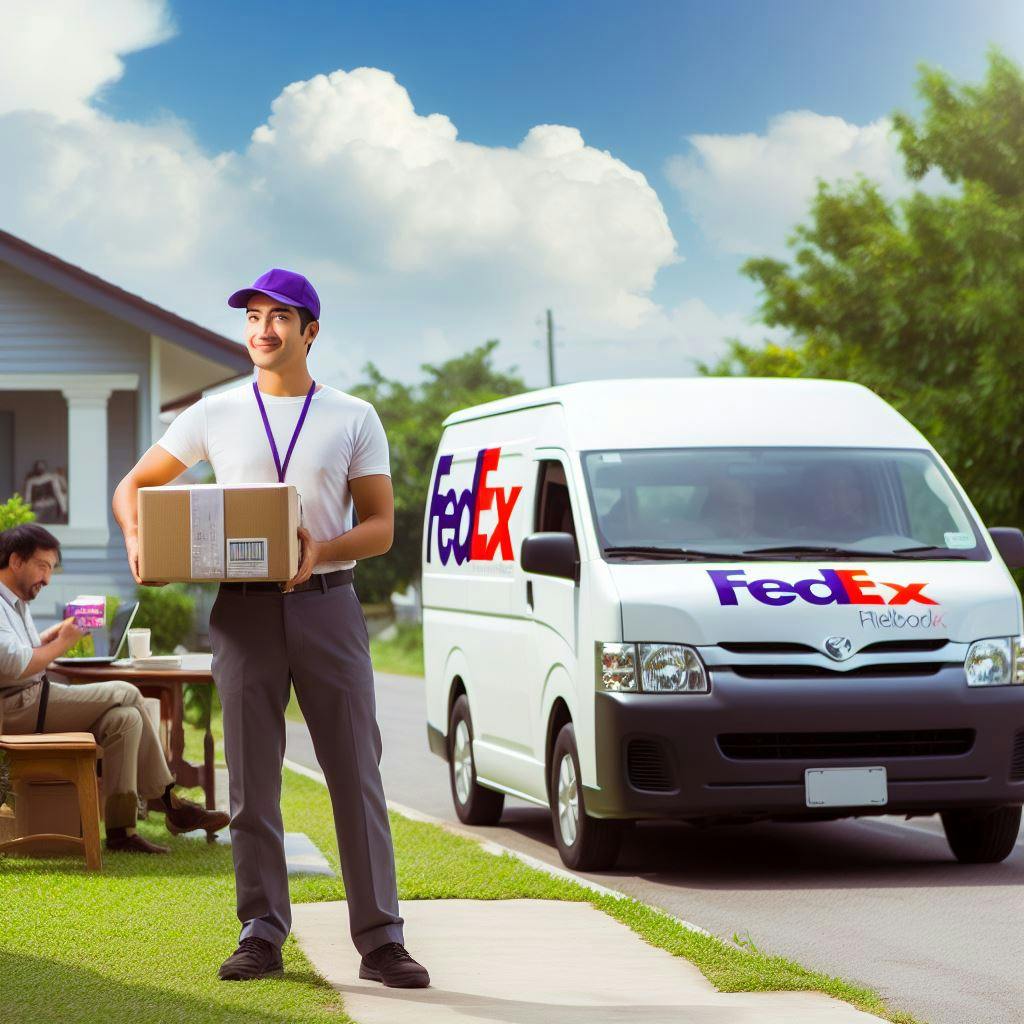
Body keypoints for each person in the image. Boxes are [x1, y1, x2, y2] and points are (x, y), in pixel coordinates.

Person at [112, 268, 429, 988]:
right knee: (253, 783)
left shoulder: (354, 415)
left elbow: (378, 528)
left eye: (279, 316)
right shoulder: (213, 413)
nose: (263, 328)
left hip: (329, 603)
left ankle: (381, 939)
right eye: (253, 315)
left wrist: (324, 547)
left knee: (356, 773)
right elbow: (132, 488)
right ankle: (260, 931)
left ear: (309, 331)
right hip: (244, 611)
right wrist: (140, 540)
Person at [0, 523, 230, 852]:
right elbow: (15, 665)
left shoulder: (15, 604)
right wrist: (63, 644)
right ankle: (169, 803)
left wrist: (49, 637)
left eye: (51, 568)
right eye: (43, 566)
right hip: (15, 708)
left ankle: (122, 832)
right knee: (126, 692)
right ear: (16, 561)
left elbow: (21, 653)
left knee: (126, 721)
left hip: (31, 699)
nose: (47, 578)